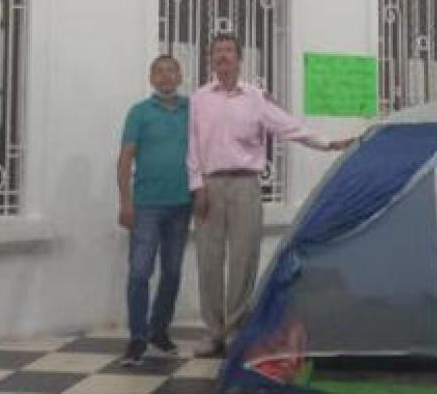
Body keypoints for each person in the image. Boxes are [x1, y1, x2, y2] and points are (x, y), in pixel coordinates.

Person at [187, 33, 354, 358]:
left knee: (243, 259)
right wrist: (197, 186)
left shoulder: (255, 98)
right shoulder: (199, 98)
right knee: (208, 261)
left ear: (239, 58)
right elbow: (191, 145)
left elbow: (288, 126)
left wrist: (327, 143)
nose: (222, 56)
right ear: (211, 58)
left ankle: (234, 330)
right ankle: (213, 333)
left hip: (247, 185)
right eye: (217, 51)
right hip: (209, 186)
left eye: (228, 51)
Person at [117, 55, 192, 366]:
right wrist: (125, 202)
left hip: (182, 205)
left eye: (171, 70)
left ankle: (159, 331)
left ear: (180, 75)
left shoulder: (193, 110)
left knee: (172, 272)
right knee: (140, 272)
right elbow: (125, 159)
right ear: (151, 78)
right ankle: (137, 337)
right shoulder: (139, 113)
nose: (165, 77)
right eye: (159, 72)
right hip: (146, 205)